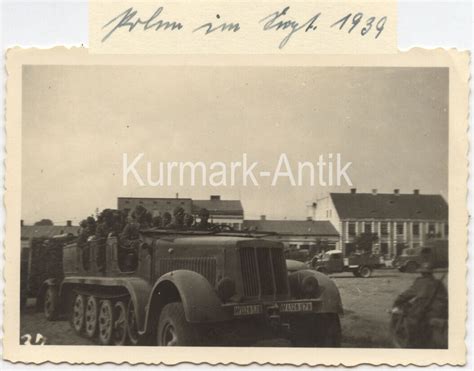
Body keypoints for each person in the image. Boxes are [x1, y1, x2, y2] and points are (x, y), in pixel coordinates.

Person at [392, 262, 448, 348]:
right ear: (431, 272)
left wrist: (397, 301)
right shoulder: (438, 283)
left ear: (422, 272)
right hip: (442, 312)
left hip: (426, 312)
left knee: (411, 321)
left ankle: (412, 344)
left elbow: (407, 294)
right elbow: (444, 296)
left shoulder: (420, 282)